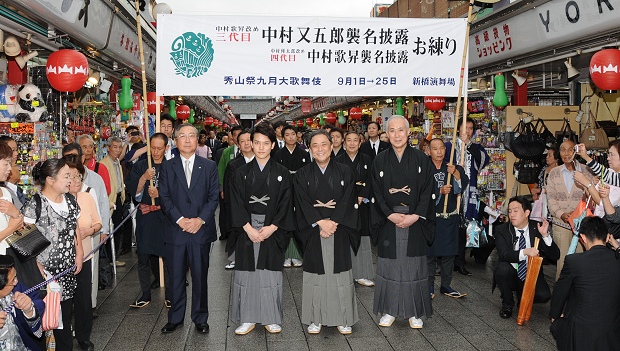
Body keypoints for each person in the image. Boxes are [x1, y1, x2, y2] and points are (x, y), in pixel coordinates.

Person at [228, 123, 294, 335]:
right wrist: (248, 228)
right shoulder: (240, 173)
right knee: (247, 275)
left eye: (266, 143)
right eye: (257, 143)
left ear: (273, 145)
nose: (261, 147)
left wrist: (272, 228)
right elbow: (235, 203)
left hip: (271, 230)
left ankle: (270, 317)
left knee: (269, 275)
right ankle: (247, 317)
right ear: (250, 144)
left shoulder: (282, 173)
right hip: (247, 229)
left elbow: (286, 204)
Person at [370, 115, 435, 329]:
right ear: (386, 135)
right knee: (389, 267)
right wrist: (389, 214)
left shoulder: (420, 159)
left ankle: (414, 312)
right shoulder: (379, 160)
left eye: (401, 130)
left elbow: (428, 191)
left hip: (414, 218)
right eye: (392, 131)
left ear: (408, 133)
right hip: (389, 219)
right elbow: (376, 192)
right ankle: (389, 310)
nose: (396, 135)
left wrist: (415, 215)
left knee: (413, 267)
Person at [294, 130, 360, 335]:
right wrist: (320, 222)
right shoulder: (302, 174)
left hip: (339, 229)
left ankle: (343, 317)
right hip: (314, 230)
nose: (320, 149)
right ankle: (316, 317)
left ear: (332, 147)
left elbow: (349, 199)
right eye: (315, 145)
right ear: (310, 149)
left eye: (324, 144)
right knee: (316, 275)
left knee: (340, 274)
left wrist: (333, 222)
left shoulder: (345, 171)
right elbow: (301, 202)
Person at [158, 123, 219, 334]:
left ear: (197, 140)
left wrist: (199, 220)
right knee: (175, 278)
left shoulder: (209, 166)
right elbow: (163, 197)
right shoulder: (167, 166)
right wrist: (180, 219)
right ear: (175, 140)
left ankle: (200, 317)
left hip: (200, 231)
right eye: (182, 136)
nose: (186, 139)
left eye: (191, 136)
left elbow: (213, 198)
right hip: (176, 231)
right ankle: (175, 318)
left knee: (200, 276)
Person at [22, 158, 83, 350]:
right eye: (66, 176)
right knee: (45, 322)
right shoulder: (35, 204)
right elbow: (23, 236)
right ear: (50, 179)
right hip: (44, 278)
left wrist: (79, 252)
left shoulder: (71, 201)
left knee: (64, 321)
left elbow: (75, 229)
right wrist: (35, 264)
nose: (70, 180)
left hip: (67, 273)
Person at [551, 216, 620, 351]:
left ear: (582, 237)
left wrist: (555, 316)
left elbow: (560, 292)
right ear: (607, 238)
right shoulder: (617, 260)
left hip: (581, 335)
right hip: (613, 331)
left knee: (558, 324)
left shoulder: (574, 261)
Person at [493, 196, 559, 319]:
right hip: (511, 271)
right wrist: (525, 252)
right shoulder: (502, 229)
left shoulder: (537, 227)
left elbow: (555, 255)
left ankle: (523, 296)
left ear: (527, 213)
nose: (512, 214)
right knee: (502, 269)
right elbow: (504, 254)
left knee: (544, 296)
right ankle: (507, 303)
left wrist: (545, 236)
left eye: (516, 211)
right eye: (510, 211)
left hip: (530, 272)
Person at [127, 133, 171, 309]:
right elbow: (135, 193)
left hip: (164, 217)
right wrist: (144, 178)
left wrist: (160, 195)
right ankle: (145, 294)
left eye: (160, 148)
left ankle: (170, 295)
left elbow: (178, 195)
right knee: (143, 256)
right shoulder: (141, 166)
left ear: (166, 148)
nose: (156, 151)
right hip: (145, 216)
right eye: (153, 147)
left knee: (168, 258)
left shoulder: (172, 167)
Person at [444, 117, 489, 276]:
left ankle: (460, 261)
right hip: (451, 191)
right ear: (458, 129)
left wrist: (468, 146)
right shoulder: (449, 146)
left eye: (470, 128)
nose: (467, 131)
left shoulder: (475, 147)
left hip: (468, 191)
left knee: (463, 227)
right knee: (450, 226)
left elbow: (484, 160)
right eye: (465, 128)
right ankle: (446, 261)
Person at [546, 140, 593, 280]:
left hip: (582, 223)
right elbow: (551, 199)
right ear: (559, 153)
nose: (566, 153)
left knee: (581, 259)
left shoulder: (586, 171)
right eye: (563, 150)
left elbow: (592, 197)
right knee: (562, 260)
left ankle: (580, 292)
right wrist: (561, 214)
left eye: (570, 149)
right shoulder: (554, 173)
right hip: (561, 223)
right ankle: (561, 295)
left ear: (576, 151)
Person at [427, 138, 468, 299]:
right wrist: (439, 192)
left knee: (449, 254)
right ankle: (429, 285)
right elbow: (421, 190)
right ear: (429, 151)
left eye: (442, 148)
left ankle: (446, 285)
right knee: (429, 254)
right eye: (435, 149)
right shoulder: (424, 168)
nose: (439, 152)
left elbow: (460, 188)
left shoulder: (452, 167)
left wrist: (456, 173)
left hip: (449, 216)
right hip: (432, 216)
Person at [67, 159, 101, 351]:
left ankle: (83, 336)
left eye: (79, 176)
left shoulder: (86, 197)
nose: (77, 180)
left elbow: (97, 222)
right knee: (64, 301)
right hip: (64, 260)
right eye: (72, 177)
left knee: (83, 299)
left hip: (85, 256)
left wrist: (90, 231)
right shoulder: (58, 200)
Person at [335, 131, 375, 287]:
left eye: (355, 141)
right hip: (344, 206)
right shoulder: (337, 161)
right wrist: (350, 199)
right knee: (344, 238)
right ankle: (345, 273)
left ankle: (362, 273)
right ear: (344, 143)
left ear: (360, 143)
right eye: (349, 140)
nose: (352, 143)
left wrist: (362, 195)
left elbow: (371, 180)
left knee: (363, 239)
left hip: (363, 204)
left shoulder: (367, 160)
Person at [275, 125, 309, 268]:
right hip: (284, 189)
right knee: (284, 218)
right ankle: (285, 254)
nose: (290, 137)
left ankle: (296, 254)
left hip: (300, 189)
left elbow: (308, 173)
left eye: (293, 134)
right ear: (283, 137)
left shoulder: (304, 154)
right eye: (287, 135)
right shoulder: (278, 154)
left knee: (298, 219)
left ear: (297, 136)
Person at [222, 130, 255, 269]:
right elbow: (228, 190)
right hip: (239, 206)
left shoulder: (264, 161)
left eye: (249, 140)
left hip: (259, 206)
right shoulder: (233, 165)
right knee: (239, 232)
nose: (246, 143)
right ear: (238, 145)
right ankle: (236, 258)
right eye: (243, 141)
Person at [0, 255, 45, 351]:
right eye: (13, 280)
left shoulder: (16, 288)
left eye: (15, 276)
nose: (16, 282)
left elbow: (37, 301)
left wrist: (29, 310)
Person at [100, 137, 131, 258]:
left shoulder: (117, 162)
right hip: (109, 200)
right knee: (109, 229)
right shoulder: (103, 164)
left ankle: (114, 257)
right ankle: (108, 258)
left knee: (118, 228)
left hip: (118, 198)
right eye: (115, 147)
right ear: (108, 148)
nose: (118, 150)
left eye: (120, 147)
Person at [217, 126, 243, 241]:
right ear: (232, 136)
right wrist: (222, 188)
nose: (237, 137)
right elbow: (221, 169)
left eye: (239, 134)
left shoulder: (249, 149)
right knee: (225, 211)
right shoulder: (227, 151)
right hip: (228, 187)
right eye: (235, 134)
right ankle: (225, 232)